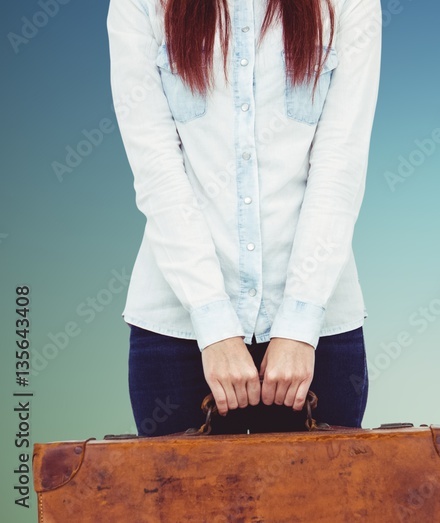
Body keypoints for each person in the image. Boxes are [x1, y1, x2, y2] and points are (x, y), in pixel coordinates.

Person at [106, 0, 382, 435]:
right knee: (174, 504)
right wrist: (213, 324)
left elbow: (339, 166)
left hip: (319, 332)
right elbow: (157, 171)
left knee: (328, 503)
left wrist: (298, 324)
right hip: (177, 332)